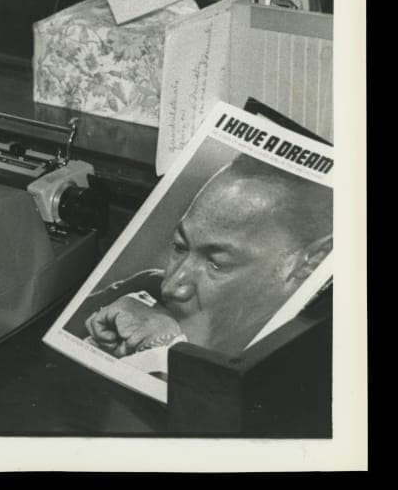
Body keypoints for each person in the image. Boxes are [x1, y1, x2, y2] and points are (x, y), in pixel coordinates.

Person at [73, 153, 332, 372]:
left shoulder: (312, 352)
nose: (172, 286)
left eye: (217, 264)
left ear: (309, 262)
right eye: (180, 247)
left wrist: (168, 350)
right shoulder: (144, 288)